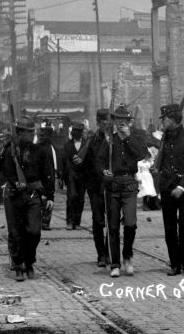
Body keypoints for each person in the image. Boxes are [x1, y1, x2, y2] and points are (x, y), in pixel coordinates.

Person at [0, 116, 55, 281]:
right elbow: (5, 171)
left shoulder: (39, 151)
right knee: (16, 232)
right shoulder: (10, 151)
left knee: (34, 231)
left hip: (33, 195)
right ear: (19, 133)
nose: (31, 135)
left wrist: (49, 195)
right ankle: (19, 264)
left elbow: (47, 173)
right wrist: (15, 183)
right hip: (14, 195)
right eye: (27, 132)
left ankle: (30, 260)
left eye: (32, 132)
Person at [96, 105, 147, 277]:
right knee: (112, 226)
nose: (121, 123)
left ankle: (128, 256)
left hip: (130, 184)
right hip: (113, 185)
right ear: (115, 121)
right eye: (118, 120)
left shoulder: (135, 137)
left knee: (131, 223)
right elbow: (100, 161)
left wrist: (128, 138)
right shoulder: (109, 140)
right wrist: (104, 171)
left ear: (128, 122)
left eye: (124, 120)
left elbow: (141, 154)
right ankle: (115, 264)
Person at [155, 103, 184, 275]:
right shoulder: (164, 138)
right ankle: (174, 264)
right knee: (170, 227)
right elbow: (162, 161)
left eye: (164, 119)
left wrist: (181, 186)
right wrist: (156, 169)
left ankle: (183, 259)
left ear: (172, 120)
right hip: (167, 187)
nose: (162, 122)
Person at [81, 109, 112, 266]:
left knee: (112, 221)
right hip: (95, 186)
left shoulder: (114, 139)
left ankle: (108, 252)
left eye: (108, 122)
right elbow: (84, 162)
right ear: (99, 122)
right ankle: (101, 254)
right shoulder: (91, 140)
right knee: (99, 221)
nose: (106, 125)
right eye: (103, 122)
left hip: (111, 185)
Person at [60, 122, 89, 230]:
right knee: (71, 197)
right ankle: (69, 221)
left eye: (77, 131)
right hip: (71, 175)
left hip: (83, 176)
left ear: (81, 132)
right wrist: (62, 177)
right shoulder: (67, 144)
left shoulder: (87, 144)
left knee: (80, 199)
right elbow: (64, 161)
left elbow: (90, 160)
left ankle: (77, 222)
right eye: (74, 131)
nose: (75, 133)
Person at [36, 125, 59, 230]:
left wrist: (57, 175)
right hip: (41, 176)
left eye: (43, 135)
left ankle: (45, 222)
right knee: (40, 197)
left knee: (49, 196)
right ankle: (40, 221)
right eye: (40, 135)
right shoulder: (37, 147)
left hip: (50, 175)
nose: (42, 137)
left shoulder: (52, 147)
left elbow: (55, 162)